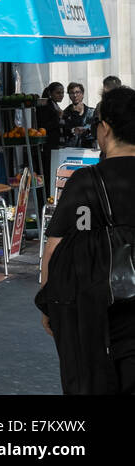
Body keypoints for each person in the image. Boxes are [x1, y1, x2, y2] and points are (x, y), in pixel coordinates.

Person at [37, 86, 135, 393]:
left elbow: (54, 246)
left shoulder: (86, 182)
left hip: (97, 312)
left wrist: (48, 304)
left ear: (105, 128)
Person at [61, 82, 95, 148]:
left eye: (77, 92)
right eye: (71, 93)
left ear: (82, 94)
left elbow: (96, 129)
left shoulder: (92, 112)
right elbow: (64, 131)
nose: (75, 95)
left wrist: (87, 130)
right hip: (71, 150)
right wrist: (73, 130)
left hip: (89, 149)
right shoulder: (65, 113)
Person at [38, 82, 65, 155]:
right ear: (50, 93)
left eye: (62, 93)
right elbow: (44, 126)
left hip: (56, 144)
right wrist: (58, 117)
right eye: (58, 93)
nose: (61, 95)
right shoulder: (46, 106)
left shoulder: (55, 105)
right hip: (49, 145)